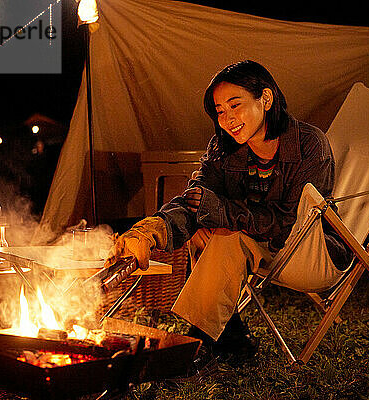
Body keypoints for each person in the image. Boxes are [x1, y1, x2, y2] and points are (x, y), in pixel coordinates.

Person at [107, 60, 353, 362]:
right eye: (220, 111)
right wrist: (151, 230)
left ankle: (198, 341)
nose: (227, 119)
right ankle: (228, 334)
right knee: (207, 228)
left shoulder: (309, 144)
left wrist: (222, 211)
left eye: (235, 105)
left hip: (311, 252)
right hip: (260, 246)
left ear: (265, 98)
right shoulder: (224, 148)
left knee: (226, 234)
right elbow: (194, 200)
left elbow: (290, 224)